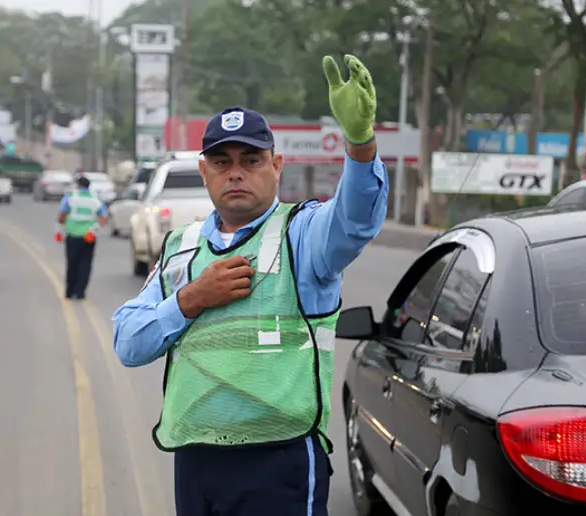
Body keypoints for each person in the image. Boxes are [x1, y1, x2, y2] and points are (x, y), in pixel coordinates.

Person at [111, 55, 388, 516]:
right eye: (221, 162)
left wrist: (360, 144)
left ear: (276, 165)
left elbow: (355, 221)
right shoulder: (181, 246)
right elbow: (127, 342)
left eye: (250, 160)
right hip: (196, 459)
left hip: (278, 461)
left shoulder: (303, 232)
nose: (235, 172)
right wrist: (191, 299)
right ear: (205, 173)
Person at [57, 175, 108, 299]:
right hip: (89, 236)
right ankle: (80, 292)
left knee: (72, 264)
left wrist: (63, 224)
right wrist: (95, 226)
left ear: (78, 185)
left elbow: (61, 215)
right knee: (85, 264)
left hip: (73, 235)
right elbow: (103, 218)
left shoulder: (70, 197)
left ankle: (69, 292)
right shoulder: (96, 199)